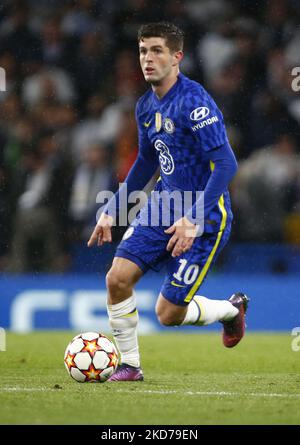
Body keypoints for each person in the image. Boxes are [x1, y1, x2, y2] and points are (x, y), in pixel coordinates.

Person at [88, 22, 249, 382]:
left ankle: (231, 309)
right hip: (162, 207)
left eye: (157, 50)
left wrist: (193, 218)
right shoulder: (145, 106)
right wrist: (114, 209)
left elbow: (226, 164)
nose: (148, 58)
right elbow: (146, 161)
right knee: (116, 279)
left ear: (177, 57)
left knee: (168, 314)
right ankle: (130, 366)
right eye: (143, 50)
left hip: (205, 215)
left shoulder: (194, 102)